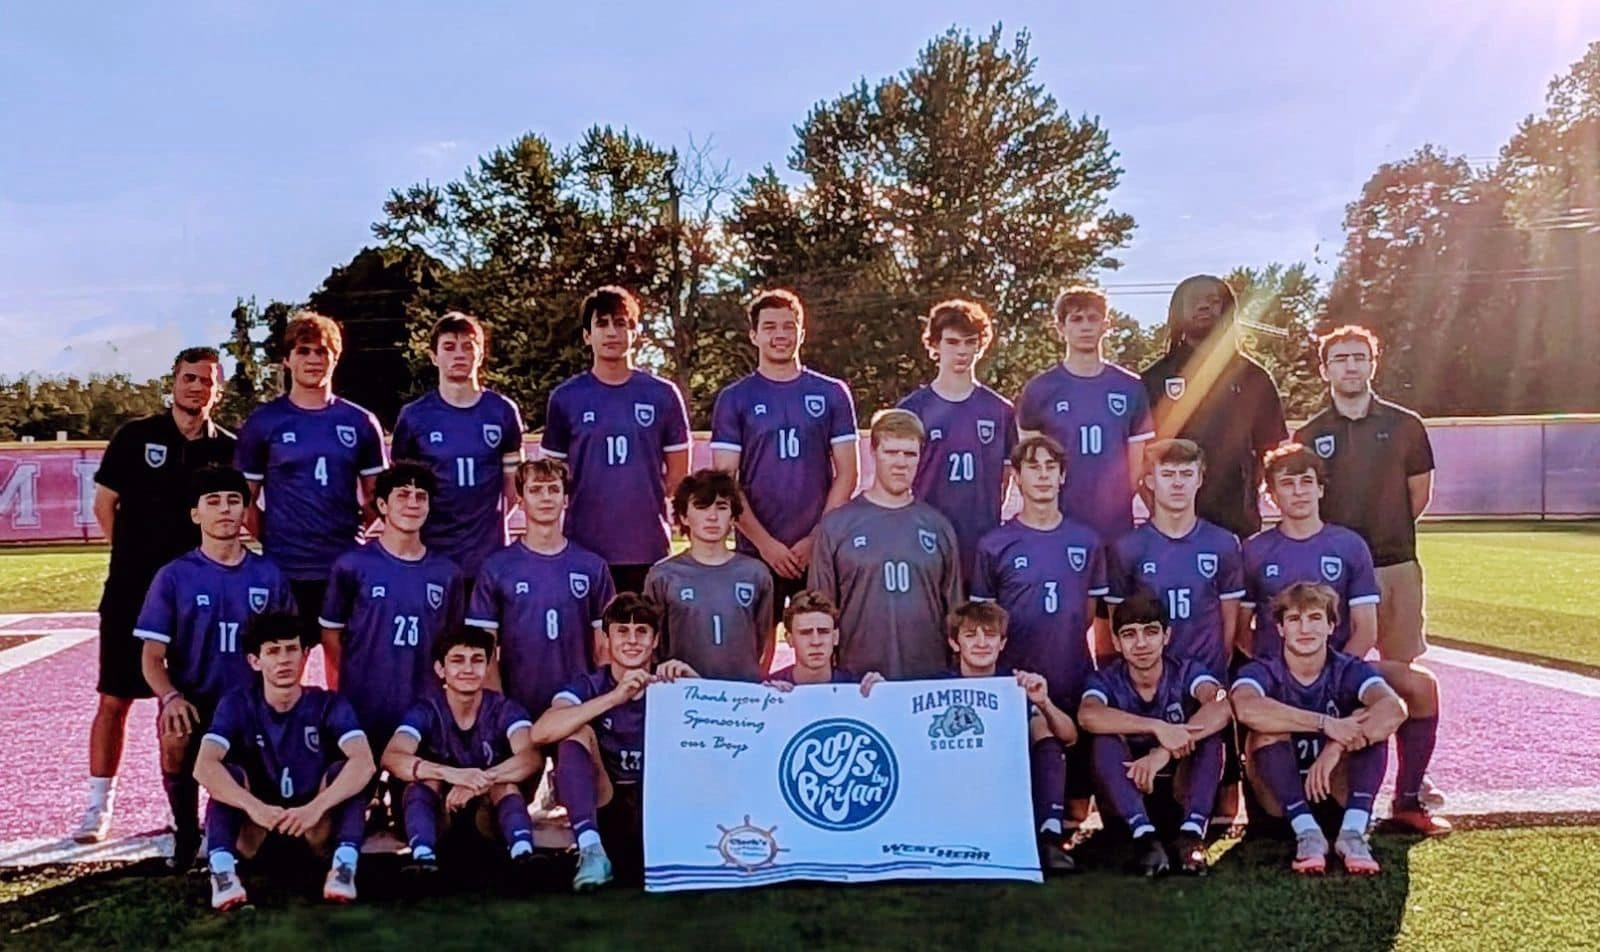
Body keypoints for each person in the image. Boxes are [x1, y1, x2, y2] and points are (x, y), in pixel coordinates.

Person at [1293, 325, 1450, 833]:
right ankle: (1342, 767)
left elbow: (1418, 495)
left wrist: (1385, 540)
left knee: (1400, 672)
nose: (1350, 366)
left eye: (1359, 357)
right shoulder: (1310, 434)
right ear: (1325, 370)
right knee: (1339, 666)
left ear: (1372, 364)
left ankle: (1409, 784)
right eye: (1340, 358)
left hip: (1395, 563)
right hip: (1333, 571)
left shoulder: (1406, 425)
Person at [77, 346, 236, 844]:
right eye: (190, 378)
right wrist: (132, 560)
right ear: (174, 382)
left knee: (190, 703)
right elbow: (105, 505)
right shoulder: (135, 436)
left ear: (218, 390)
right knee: (115, 698)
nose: (198, 388)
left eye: (207, 381)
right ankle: (98, 805)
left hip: (196, 599)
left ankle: (185, 810)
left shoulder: (227, 447)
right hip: (132, 592)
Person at [135, 466, 298, 869]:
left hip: (252, 707)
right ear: (196, 514)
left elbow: (290, 648)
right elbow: (151, 657)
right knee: (174, 732)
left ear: (245, 509)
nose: (225, 509)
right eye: (213, 502)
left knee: (256, 847)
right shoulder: (174, 577)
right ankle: (186, 831)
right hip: (197, 703)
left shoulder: (268, 574)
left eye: (233, 501)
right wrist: (171, 698)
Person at [861, 601, 1080, 873]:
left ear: (1002, 643)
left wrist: (1044, 702)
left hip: (1003, 787)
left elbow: (1069, 736)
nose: (981, 643)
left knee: (1043, 729)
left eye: (989, 635)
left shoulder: (1015, 685)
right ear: (955, 643)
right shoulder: (935, 686)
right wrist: (882, 693)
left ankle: (1049, 836)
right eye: (970, 635)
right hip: (950, 790)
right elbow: (901, 722)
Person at [971, 435, 1108, 834]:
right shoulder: (995, 544)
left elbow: (1087, 614)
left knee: (1075, 809)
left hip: (1072, 673)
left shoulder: (1086, 541)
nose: (1043, 476)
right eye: (1033, 467)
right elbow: (986, 619)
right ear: (1017, 477)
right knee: (1016, 794)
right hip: (1016, 679)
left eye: (1051, 467)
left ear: (1063, 476)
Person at [194, 613, 376, 910]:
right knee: (226, 775)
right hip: (258, 829)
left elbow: (364, 762)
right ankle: (223, 873)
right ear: (255, 661)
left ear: (305, 655)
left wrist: (314, 809)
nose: (284, 660)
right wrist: (256, 808)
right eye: (273, 651)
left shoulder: (328, 703)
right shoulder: (237, 703)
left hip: (314, 828)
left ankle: (344, 867)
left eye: (292, 649)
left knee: (346, 772)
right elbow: (203, 766)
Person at [1232, 582, 1408, 875]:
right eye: (1294, 619)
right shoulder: (1263, 669)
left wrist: (1335, 745)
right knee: (1263, 730)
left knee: (1370, 721)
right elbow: (1244, 706)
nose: (1305, 629)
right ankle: (1307, 832)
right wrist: (1326, 724)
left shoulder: (1348, 668)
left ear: (1331, 626)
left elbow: (1394, 709)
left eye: (1315, 618)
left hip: (1336, 789)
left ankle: (1352, 833)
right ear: (1280, 629)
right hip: (1279, 803)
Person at [237, 312, 387, 643]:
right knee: (285, 662)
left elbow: (377, 499)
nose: (313, 359)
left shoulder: (360, 421)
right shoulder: (264, 422)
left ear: (336, 358)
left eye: (322, 351)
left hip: (344, 565)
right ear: (287, 359)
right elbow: (244, 499)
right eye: (303, 351)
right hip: (285, 568)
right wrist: (272, 540)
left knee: (347, 663)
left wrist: (357, 540)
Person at [710, 289, 859, 621]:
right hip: (756, 549)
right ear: (754, 335)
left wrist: (816, 537)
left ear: (802, 333)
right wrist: (765, 544)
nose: (780, 335)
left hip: (818, 549)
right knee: (756, 647)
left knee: (823, 640)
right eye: (770, 327)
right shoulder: (734, 398)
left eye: (788, 326)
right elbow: (725, 481)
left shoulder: (831, 393)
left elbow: (848, 473)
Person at [541, 286, 691, 594]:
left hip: (646, 547)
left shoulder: (662, 395)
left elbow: (677, 476)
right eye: (602, 323)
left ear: (636, 332)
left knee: (642, 625)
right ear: (587, 335)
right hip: (582, 548)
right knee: (588, 627)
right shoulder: (565, 398)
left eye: (621, 323)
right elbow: (551, 478)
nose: (612, 332)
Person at [1078, 588, 1230, 877]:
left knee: (1209, 736)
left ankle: (1191, 836)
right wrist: (1157, 727)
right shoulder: (1106, 679)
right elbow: (1088, 715)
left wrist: (1164, 752)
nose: (1141, 643)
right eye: (1129, 634)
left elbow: (1221, 703)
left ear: (1166, 636)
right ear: (1116, 642)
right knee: (1103, 739)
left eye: (1150, 632)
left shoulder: (1185, 671)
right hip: (1131, 791)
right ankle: (1145, 839)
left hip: (1180, 788)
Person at [319, 462, 465, 753]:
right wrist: (353, 677)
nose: (412, 503)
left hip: (423, 708)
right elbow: (330, 635)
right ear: (383, 505)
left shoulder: (447, 573)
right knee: (355, 778)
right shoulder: (352, 566)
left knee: (419, 781)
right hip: (362, 704)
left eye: (421, 496)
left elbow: (453, 644)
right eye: (402, 495)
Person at [808, 409, 962, 679]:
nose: (901, 463)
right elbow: (819, 611)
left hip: (927, 679)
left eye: (910, 454)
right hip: (857, 679)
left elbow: (956, 613)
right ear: (873, 452)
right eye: (891, 452)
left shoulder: (938, 527)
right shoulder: (837, 525)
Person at [529, 593, 668, 891]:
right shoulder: (589, 685)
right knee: (574, 731)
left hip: (658, 803)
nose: (632, 640)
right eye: (622, 631)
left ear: (655, 640)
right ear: (606, 638)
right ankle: (592, 851)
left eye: (642, 631)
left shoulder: (669, 683)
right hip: (607, 802)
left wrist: (693, 683)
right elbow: (541, 732)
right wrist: (615, 697)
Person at [381, 626, 539, 873]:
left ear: (489, 666)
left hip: (487, 813)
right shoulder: (425, 710)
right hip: (436, 813)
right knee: (424, 783)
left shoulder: (505, 708)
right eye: (457, 660)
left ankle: (523, 855)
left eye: (477, 660)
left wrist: (478, 781)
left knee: (504, 784)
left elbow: (531, 757)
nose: (468, 669)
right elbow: (392, 756)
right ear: (440, 669)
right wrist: (449, 774)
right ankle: (423, 858)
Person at [1140, 275, 1287, 540]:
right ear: (1177, 311)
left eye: (1213, 300)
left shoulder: (1254, 377)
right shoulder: (1154, 379)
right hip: (1170, 527)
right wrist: (1155, 503)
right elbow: (1136, 456)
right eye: (1194, 300)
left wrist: (1248, 490)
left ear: (1227, 310)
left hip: (1236, 523)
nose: (1204, 306)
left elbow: (1271, 449)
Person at [467, 459, 614, 721]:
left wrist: (597, 706)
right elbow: (483, 652)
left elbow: (605, 649)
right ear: (520, 501)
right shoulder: (496, 568)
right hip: (517, 709)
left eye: (553, 489)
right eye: (535, 490)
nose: (546, 497)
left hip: (577, 709)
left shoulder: (592, 567)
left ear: (565, 499)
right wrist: (500, 712)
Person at [391, 312, 526, 587]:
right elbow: (400, 494)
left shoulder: (502, 411)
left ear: (481, 353)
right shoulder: (414, 416)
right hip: (430, 558)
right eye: (449, 347)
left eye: (468, 346)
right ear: (433, 356)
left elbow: (514, 489)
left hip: (488, 558)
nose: (459, 354)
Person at [1017, 286, 1155, 546]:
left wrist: (1116, 502)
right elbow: (1030, 465)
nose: (1085, 327)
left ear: (1106, 325)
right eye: (1076, 319)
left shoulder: (1130, 387)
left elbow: (1136, 467)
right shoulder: (1040, 389)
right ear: (1060, 328)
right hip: (1058, 523)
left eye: (1093, 319)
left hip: (1116, 526)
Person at [896, 298, 1017, 585]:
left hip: (981, 541)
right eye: (952, 342)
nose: (962, 351)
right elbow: (897, 479)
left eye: (969, 342)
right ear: (934, 345)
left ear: (980, 345)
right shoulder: (912, 409)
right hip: (924, 538)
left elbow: (1005, 479)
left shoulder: (1000, 410)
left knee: (978, 613)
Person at [1106, 439, 1244, 677]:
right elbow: (1117, 626)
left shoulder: (1223, 544)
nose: (1178, 483)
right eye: (1168, 474)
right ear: (1150, 481)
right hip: (1151, 682)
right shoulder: (1127, 548)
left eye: (1187, 474)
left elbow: (1229, 628)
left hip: (1208, 677)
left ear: (1199, 480)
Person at [1241, 444, 1380, 660]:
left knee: (1409, 679)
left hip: (1336, 671)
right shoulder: (1253, 550)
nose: (1299, 492)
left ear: (1320, 489)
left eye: (1306, 481)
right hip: (1272, 673)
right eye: (1287, 483)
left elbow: (1366, 630)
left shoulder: (1351, 546)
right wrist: (1275, 669)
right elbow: (1241, 630)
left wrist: (1336, 673)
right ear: (1273, 496)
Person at [644, 469, 775, 681]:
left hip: (741, 692)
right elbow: (653, 644)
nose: (712, 517)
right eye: (701, 507)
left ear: (733, 517)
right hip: (682, 691)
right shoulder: (663, 576)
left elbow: (761, 637)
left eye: (721, 507)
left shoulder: (755, 574)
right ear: (684, 517)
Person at [764, 590, 858, 687]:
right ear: (789, 639)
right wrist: (769, 694)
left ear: (835, 637)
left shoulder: (856, 687)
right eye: (805, 633)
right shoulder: (769, 687)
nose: (816, 642)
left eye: (823, 632)